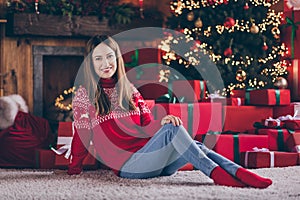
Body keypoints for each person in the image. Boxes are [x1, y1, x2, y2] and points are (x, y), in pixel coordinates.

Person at [68, 34, 272, 188]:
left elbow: (147, 126)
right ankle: (216, 174)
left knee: (193, 142)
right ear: (90, 63)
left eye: (110, 57)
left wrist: (164, 121)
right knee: (177, 134)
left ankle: (238, 172)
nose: (106, 64)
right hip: (129, 167)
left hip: (153, 160)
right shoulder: (85, 95)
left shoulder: (129, 89)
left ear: (117, 58)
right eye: (98, 59)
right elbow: (82, 136)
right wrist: (74, 167)